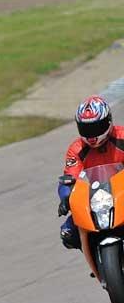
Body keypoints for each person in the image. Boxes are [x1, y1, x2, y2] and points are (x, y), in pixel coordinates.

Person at [58, 95, 124, 249]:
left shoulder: (122, 137)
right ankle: (100, 262)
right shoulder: (76, 149)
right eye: (86, 128)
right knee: (68, 234)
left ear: (108, 121)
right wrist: (65, 198)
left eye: (95, 127)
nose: (91, 134)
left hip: (122, 194)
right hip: (97, 200)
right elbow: (69, 178)